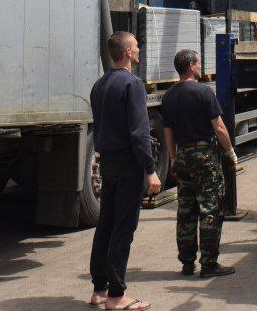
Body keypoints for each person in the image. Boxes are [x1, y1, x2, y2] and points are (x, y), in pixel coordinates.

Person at [88, 31, 161, 310]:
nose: (139, 49)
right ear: (128, 53)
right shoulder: (132, 84)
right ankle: (117, 295)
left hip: (108, 161)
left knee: (106, 224)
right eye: (137, 47)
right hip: (129, 164)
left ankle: (99, 289)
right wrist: (150, 170)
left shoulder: (99, 84)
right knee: (123, 228)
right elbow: (139, 132)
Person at [160, 49, 239, 278]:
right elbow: (219, 128)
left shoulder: (169, 96)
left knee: (186, 210)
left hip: (183, 156)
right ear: (191, 66)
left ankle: (187, 263)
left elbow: (168, 133)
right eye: (198, 63)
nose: (200, 66)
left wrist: (174, 158)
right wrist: (231, 152)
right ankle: (209, 264)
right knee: (210, 209)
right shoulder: (204, 92)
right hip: (204, 156)